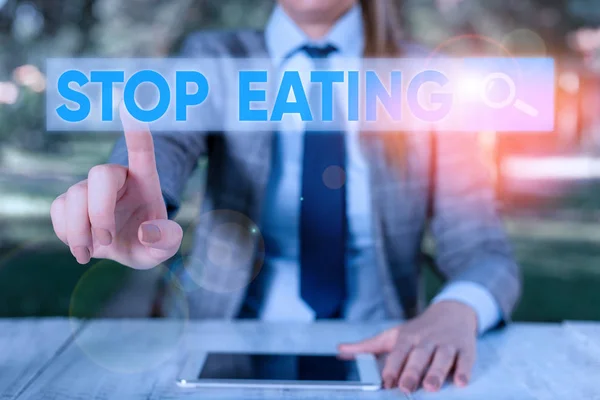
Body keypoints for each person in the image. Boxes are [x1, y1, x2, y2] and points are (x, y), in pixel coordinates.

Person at [50, 0, 521, 393]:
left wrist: (458, 309)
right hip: (223, 347)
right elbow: (162, 147)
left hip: (383, 353)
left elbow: (485, 253)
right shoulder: (213, 58)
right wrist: (125, 203)